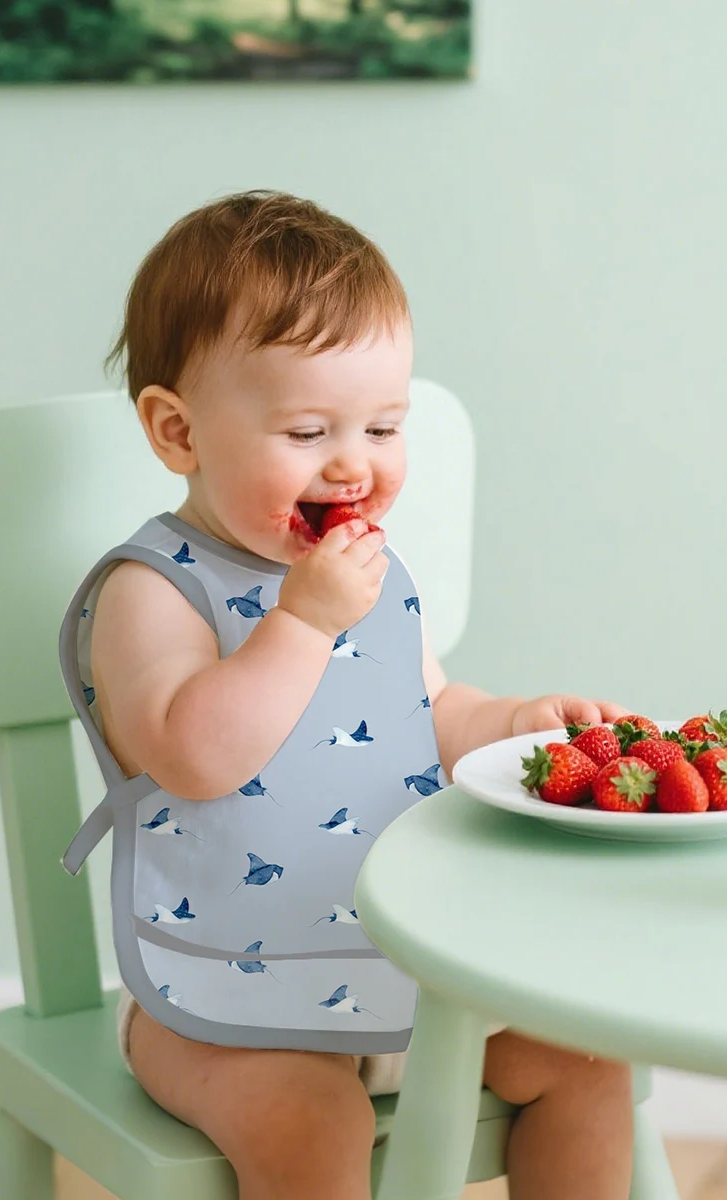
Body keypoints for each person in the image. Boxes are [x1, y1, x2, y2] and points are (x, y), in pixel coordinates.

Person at [63, 190, 636, 1200]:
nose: (353, 462)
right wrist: (301, 625)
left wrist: (515, 728)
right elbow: (195, 756)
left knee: (582, 1063)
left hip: (401, 971)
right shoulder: (152, 592)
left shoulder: (368, 572)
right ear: (177, 430)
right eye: (308, 428)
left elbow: (429, 717)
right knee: (311, 1122)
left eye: (382, 425)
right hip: (222, 996)